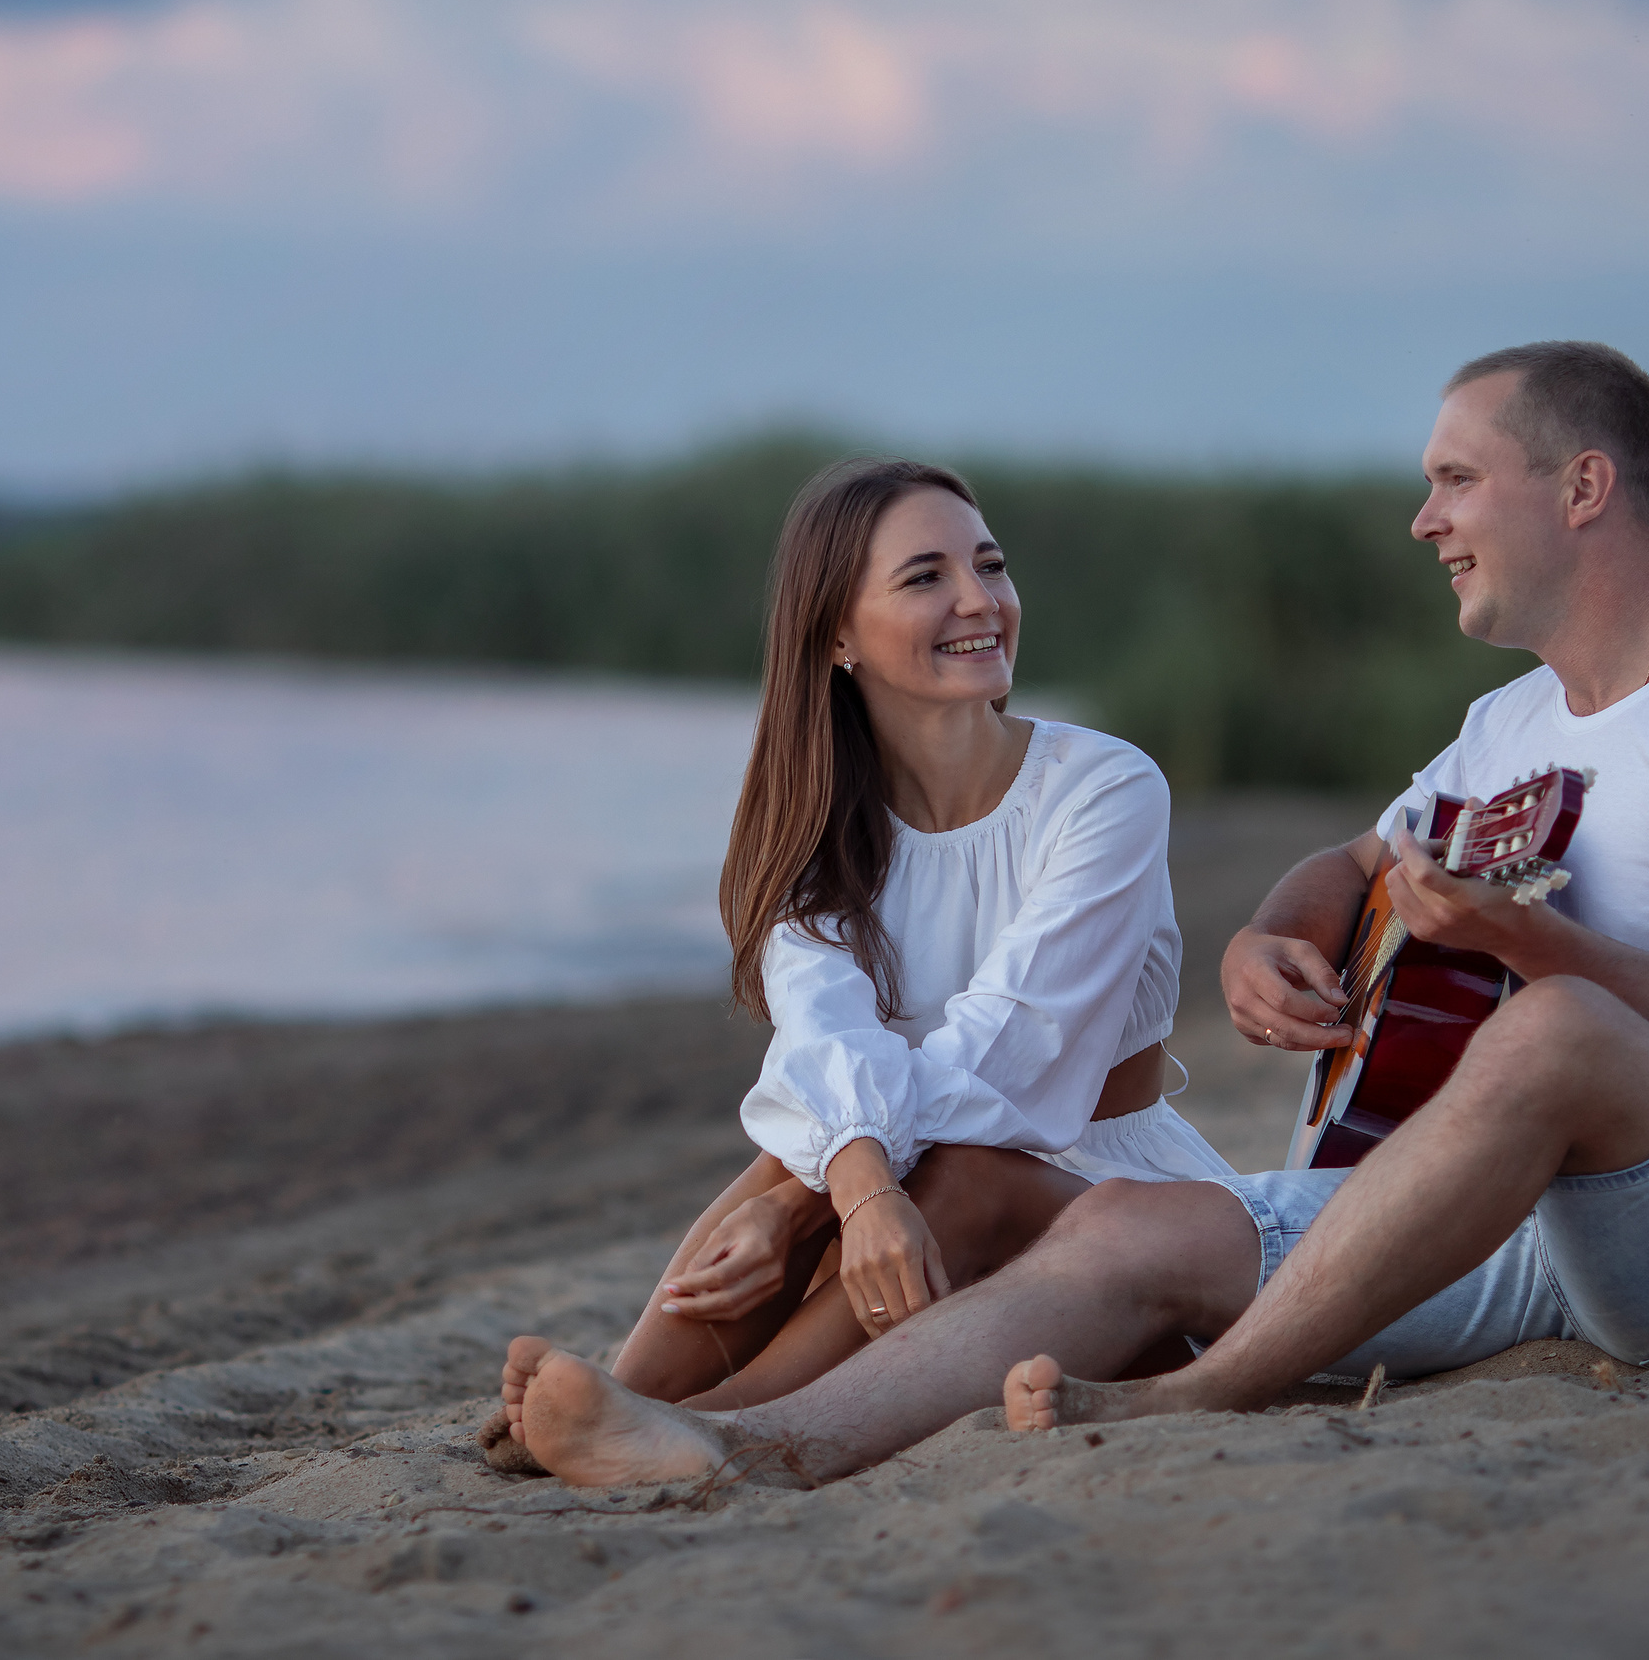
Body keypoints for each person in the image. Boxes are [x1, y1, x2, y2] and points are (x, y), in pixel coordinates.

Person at [494, 342, 1649, 1488]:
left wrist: (1525, 941)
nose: (1424, 517)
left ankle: (1203, 1392)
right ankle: (749, 1445)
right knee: (1124, 1221)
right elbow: (1362, 859)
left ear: (1584, 485)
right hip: (1540, 1236)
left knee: (1557, 1030)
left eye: (1454, 478)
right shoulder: (1514, 721)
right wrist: (1266, 934)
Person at [500, 455, 1230, 1450]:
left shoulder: (1104, 789)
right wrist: (836, 1185)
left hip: (1097, 1193)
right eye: (926, 577)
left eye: (990, 565)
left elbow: (1007, 1053)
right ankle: (628, 1394)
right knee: (803, 1151)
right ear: (837, 633)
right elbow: (823, 1034)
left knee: (917, 1169)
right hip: (903, 1176)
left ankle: (693, 1425)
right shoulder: (820, 828)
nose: (980, 601)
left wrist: (823, 1200)